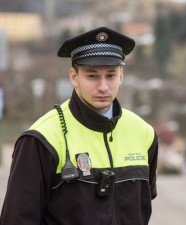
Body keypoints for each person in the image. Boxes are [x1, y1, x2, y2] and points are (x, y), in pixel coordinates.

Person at [0, 27, 158, 225]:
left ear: (121, 76)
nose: (103, 86)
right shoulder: (41, 138)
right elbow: (17, 218)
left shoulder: (144, 133)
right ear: (74, 77)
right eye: (92, 76)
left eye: (110, 75)